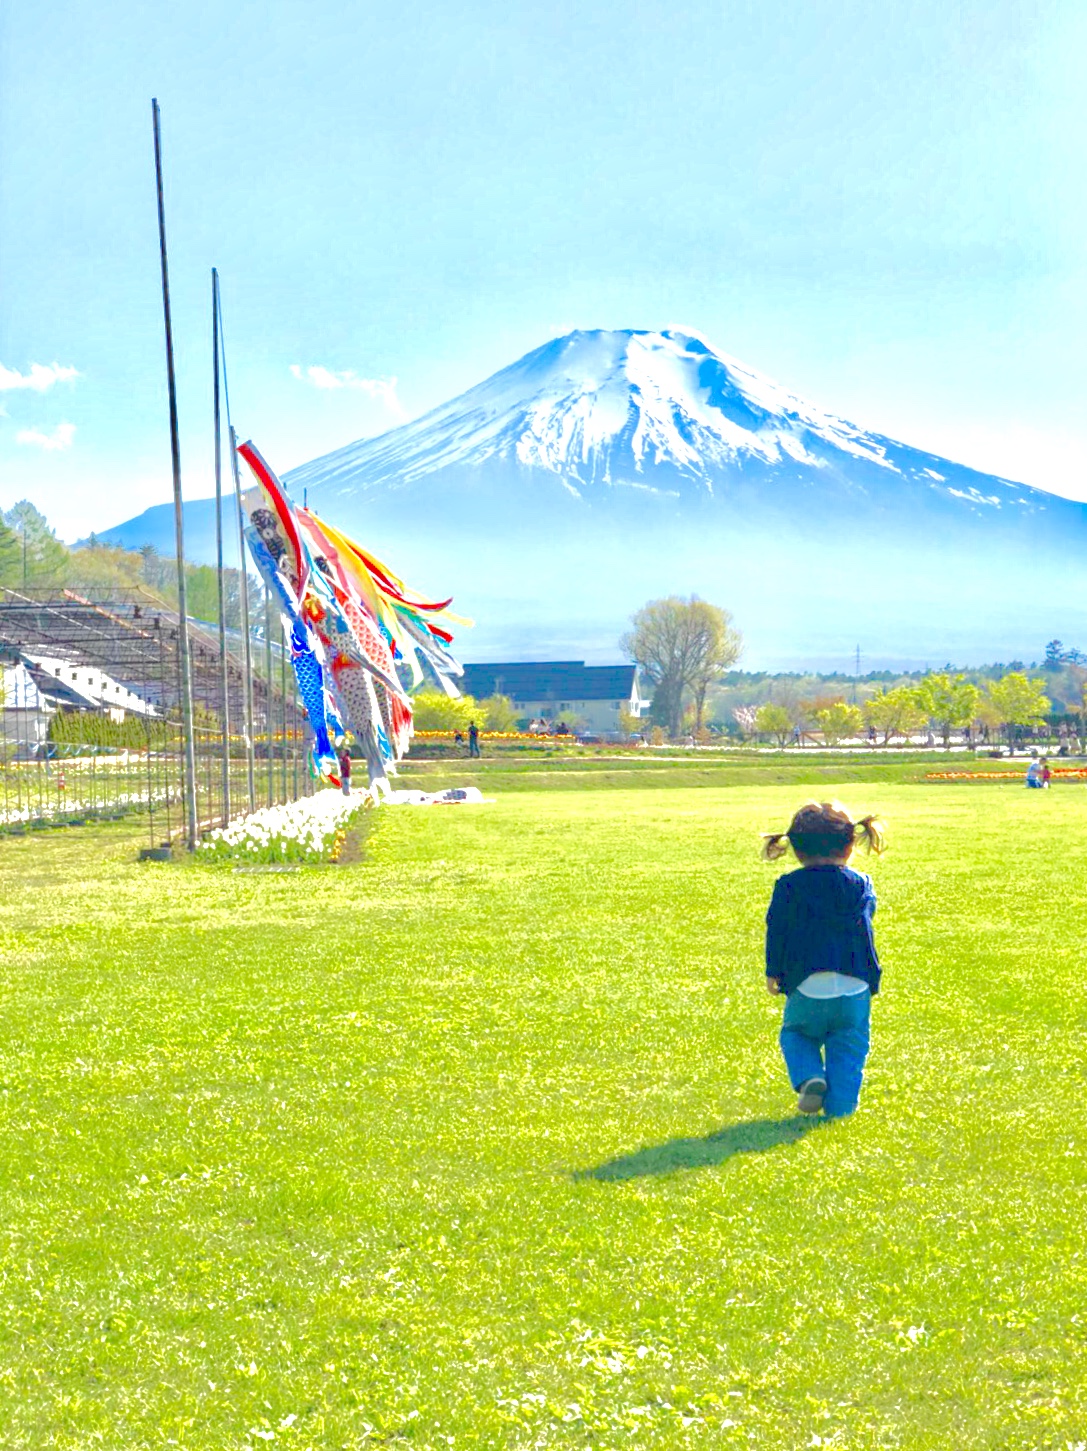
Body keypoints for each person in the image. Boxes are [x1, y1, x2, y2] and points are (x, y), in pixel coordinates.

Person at [762, 801, 886, 1118]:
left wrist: (773, 972)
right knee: (849, 1045)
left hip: (807, 982)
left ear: (796, 849)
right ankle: (841, 1109)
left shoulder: (788, 886)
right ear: (850, 844)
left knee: (797, 1034)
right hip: (856, 983)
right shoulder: (862, 884)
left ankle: (810, 1077)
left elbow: (777, 929)